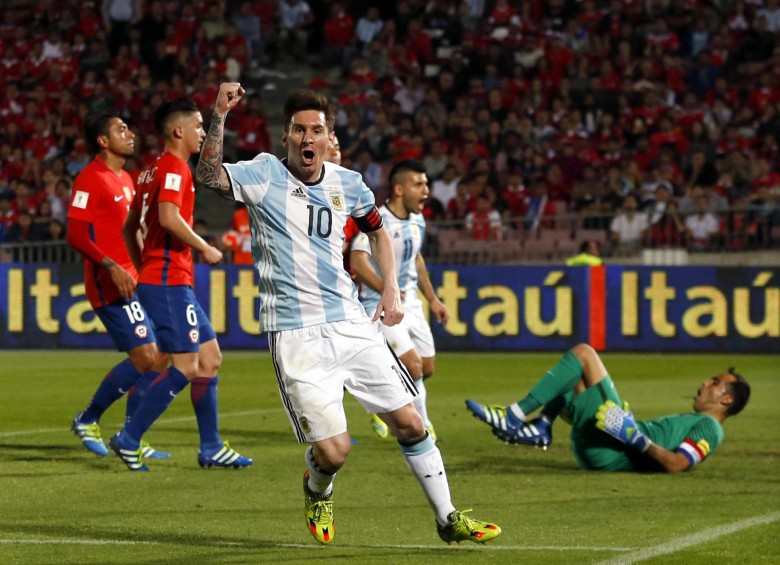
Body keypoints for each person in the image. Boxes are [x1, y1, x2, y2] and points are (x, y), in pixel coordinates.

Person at [196, 83, 500, 546]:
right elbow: (208, 176)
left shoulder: (349, 183)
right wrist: (219, 113)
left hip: (351, 324)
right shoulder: (262, 174)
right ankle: (317, 487)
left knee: (411, 422)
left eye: (315, 130)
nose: (306, 138)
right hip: (295, 333)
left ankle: (448, 517)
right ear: (286, 138)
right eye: (298, 129)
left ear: (327, 137)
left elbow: (378, 233)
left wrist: (392, 290)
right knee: (334, 452)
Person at [109, 97, 252, 472]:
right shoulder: (174, 168)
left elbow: (129, 228)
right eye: (199, 127)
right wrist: (205, 247)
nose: (203, 133)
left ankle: (211, 447)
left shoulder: (148, 171)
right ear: (179, 131)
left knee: (210, 359)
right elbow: (168, 218)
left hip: (165, 278)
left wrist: (144, 268)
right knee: (186, 365)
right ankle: (129, 438)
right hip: (170, 280)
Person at [465, 343, 750, 473]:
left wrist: (636, 438)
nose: (705, 382)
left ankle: (513, 416)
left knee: (585, 354)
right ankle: (542, 426)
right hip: (608, 444)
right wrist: (630, 425)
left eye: (715, 382)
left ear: (726, 400)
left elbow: (678, 464)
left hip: (614, 448)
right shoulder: (695, 419)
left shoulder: (710, 428)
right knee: (573, 377)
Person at [67, 109, 170, 461]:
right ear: (103, 140)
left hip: (135, 279)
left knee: (161, 357)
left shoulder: (127, 179)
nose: (130, 133)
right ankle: (88, 419)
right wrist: (111, 267)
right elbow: (75, 234)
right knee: (146, 356)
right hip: (109, 282)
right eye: (121, 129)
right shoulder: (89, 179)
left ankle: (131, 435)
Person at [350, 159, 450, 442]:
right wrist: (387, 289)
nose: (426, 191)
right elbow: (358, 258)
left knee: (426, 368)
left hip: (413, 306)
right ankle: (423, 427)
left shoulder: (418, 219)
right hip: (380, 306)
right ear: (398, 189)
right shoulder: (376, 219)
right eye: (419, 185)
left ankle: (381, 400)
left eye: (426, 184)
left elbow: (416, 260)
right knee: (414, 366)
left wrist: (434, 300)